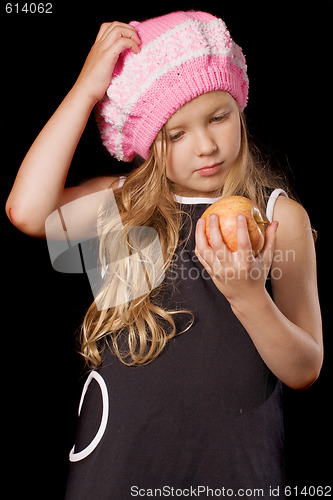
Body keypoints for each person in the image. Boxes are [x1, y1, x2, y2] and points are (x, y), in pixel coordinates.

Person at [6, 11, 323, 499]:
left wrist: (250, 298)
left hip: (233, 464)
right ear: (148, 145)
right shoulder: (123, 203)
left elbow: (305, 368)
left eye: (219, 117)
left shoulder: (281, 219)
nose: (207, 145)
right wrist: (87, 89)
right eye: (176, 134)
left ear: (240, 107)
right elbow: (27, 211)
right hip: (123, 459)